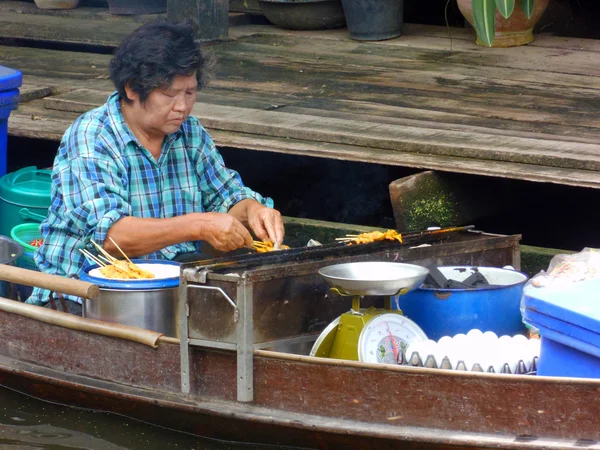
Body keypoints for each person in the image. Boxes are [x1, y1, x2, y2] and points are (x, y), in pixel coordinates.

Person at [27, 21, 284, 313]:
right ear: (132, 89)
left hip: (166, 293)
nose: (182, 107)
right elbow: (112, 238)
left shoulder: (190, 134)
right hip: (84, 297)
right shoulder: (92, 137)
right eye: (170, 94)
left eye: (190, 93)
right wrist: (199, 225)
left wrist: (252, 210)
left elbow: (224, 197)